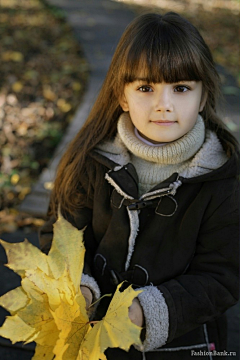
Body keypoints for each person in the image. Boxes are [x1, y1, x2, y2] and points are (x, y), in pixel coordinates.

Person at [39, 12, 239, 360]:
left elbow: (222, 277)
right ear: (123, 96)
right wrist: (78, 291)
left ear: (203, 96)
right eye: (146, 88)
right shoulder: (90, 161)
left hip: (183, 346)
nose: (164, 104)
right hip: (89, 342)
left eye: (181, 88)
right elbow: (61, 237)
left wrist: (145, 312)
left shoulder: (223, 180)